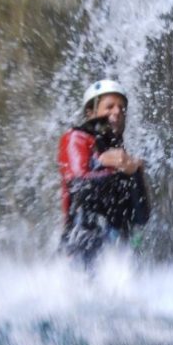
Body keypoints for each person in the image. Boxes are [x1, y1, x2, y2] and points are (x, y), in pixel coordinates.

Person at [57, 79, 151, 263]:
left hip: (116, 246)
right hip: (82, 241)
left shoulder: (120, 156)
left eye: (122, 108)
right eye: (110, 107)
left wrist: (134, 173)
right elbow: (78, 186)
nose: (117, 112)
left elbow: (142, 217)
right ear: (91, 112)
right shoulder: (76, 138)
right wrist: (114, 169)